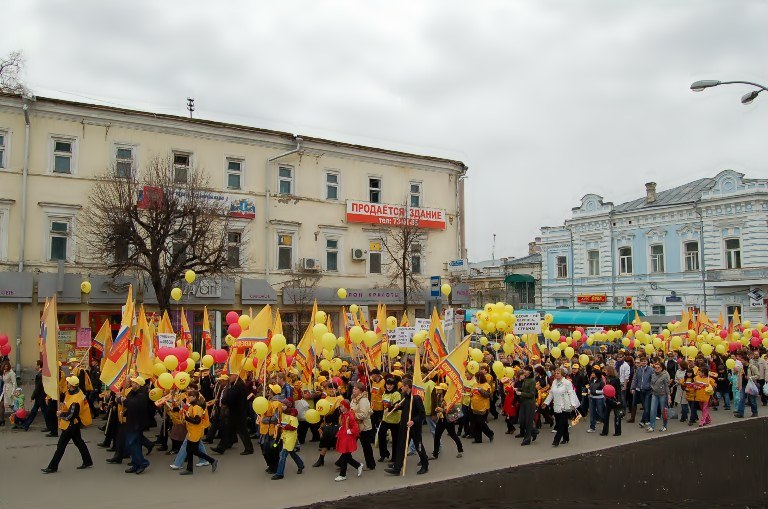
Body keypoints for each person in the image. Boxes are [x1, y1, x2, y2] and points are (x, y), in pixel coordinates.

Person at [41, 376, 93, 473]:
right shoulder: (74, 392)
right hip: (73, 424)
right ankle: (87, 461)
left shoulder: (76, 400)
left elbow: (71, 415)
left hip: (71, 425)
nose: (67, 383)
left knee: (61, 445)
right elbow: (65, 399)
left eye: (68, 382)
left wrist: (61, 414)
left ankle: (52, 467)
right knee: (79, 442)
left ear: (72, 385)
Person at [385, 378, 428, 475]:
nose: (401, 388)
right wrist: (393, 408)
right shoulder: (405, 396)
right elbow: (401, 405)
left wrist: (413, 421)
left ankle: (425, 465)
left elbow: (422, 414)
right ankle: (397, 468)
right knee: (402, 446)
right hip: (404, 426)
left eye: (403, 386)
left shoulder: (416, 398)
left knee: (419, 446)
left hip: (414, 428)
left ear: (407, 386)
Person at [213, 373, 254, 455]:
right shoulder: (235, 384)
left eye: (231, 375)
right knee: (228, 429)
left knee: (242, 431)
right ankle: (222, 447)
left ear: (236, 376)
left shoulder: (238, 385)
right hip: (235, 411)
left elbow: (230, 397)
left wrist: (224, 399)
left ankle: (249, 448)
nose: (229, 377)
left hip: (238, 412)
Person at [179, 389, 218, 475]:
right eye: (188, 396)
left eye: (190, 396)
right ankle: (190, 469)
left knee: (193, 450)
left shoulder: (197, 407)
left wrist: (187, 418)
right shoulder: (193, 405)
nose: (188, 397)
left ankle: (211, 461)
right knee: (190, 450)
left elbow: (197, 420)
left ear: (195, 397)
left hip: (195, 431)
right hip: (192, 430)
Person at [543, 367, 579, 446]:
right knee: (563, 423)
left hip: (565, 405)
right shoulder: (554, 382)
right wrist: (546, 403)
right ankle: (566, 438)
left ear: (562, 374)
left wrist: (573, 404)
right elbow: (551, 393)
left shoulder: (567, 382)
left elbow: (571, 393)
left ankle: (556, 440)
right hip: (556, 405)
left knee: (560, 424)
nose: (556, 375)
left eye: (558, 373)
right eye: (555, 373)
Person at [123, 376, 150, 474]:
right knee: (135, 444)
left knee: (130, 443)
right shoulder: (133, 393)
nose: (132, 384)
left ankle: (142, 462)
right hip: (132, 421)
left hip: (136, 423)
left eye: (133, 383)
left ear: (138, 385)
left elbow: (132, 404)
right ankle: (136, 464)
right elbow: (128, 401)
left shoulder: (142, 395)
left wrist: (122, 400)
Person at [272, 398, 304, 480]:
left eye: (284, 405)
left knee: (283, 455)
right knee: (292, 452)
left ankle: (279, 473)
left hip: (290, 437)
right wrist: (280, 424)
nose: (282, 406)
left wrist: (283, 426)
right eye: (282, 405)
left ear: (288, 405)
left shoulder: (292, 415)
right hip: (285, 435)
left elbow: (294, 426)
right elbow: (283, 422)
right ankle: (300, 465)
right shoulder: (284, 413)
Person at [432, 383, 463, 459]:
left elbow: (453, 410)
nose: (437, 389)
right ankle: (435, 454)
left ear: (443, 390)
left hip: (448, 420)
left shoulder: (449, 398)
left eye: (439, 389)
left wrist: (442, 410)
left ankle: (460, 450)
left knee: (453, 435)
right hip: (441, 419)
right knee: (437, 436)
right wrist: (437, 410)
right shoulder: (438, 396)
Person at [334, 399, 362, 482]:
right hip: (344, 436)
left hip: (347, 438)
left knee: (345, 456)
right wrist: (342, 428)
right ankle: (358, 465)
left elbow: (355, 428)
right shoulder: (344, 414)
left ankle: (343, 474)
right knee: (346, 456)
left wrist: (350, 431)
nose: (340, 407)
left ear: (346, 407)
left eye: (341, 406)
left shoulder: (350, 416)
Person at [350, 382, 375, 470]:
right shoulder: (354, 399)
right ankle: (342, 461)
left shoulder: (363, 400)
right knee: (349, 443)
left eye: (356, 389)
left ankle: (371, 465)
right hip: (356, 426)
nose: (353, 390)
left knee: (366, 447)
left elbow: (364, 414)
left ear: (360, 391)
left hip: (364, 427)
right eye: (353, 388)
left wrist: (353, 415)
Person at [377, 378, 401, 463]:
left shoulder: (396, 393)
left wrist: (390, 408)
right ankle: (384, 454)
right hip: (385, 419)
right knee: (381, 435)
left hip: (395, 420)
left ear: (394, 385)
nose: (389, 386)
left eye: (391, 384)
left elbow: (397, 405)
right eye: (387, 384)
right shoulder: (384, 393)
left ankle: (394, 457)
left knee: (395, 439)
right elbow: (383, 405)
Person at [469, 372, 494, 443]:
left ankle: (490, 433)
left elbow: (487, 395)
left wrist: (480, 390)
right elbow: (472, 392)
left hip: (482, 407)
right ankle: (478, 439)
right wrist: (471, 394)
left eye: (477, 378)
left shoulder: (486, 385)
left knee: (481, 422)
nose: (476, 379)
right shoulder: (475, 384)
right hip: (474, 406)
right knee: (476, 423)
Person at [646, 361, 670, 432]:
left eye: (658, 367)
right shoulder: (653, 375)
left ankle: (664, 426)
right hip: (655, 394)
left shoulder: (664, 375)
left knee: (663, 411)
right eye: (655, 367)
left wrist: (669, 397)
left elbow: (667, 387)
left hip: (663, 395)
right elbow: (651, 383)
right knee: (652, 410)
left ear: (661, 368)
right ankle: (651, 426)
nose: (656, 369)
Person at [517, 365, 538, 445]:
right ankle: (534, 431)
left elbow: (532, 394)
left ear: (530, 372)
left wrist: (521, 393)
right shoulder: (526, 379)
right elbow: (524, 389)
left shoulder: (532, 381)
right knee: (522, 420)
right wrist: (518, 389)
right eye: (524, 370)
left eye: (526, 370)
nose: (524, 371)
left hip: (529, 403)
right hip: (523, 402)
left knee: (528, 421)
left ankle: (527, 439)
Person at [630, 356, 653, 427]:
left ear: (647, 362)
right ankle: (646, 419)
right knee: (645, 406)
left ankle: (643, 421)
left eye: (645, 361)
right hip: (640, 390)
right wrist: (633, 388)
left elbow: (652, 380)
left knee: (646, 405)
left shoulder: (651, 369)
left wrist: (649, 386)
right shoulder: (638, 369)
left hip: (648, 390)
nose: (643, 362)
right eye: (642, 361)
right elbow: (635, 379)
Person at [22, 360, 45, 431]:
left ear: (39, 366)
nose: (34, 366)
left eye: (35, 365)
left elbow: (38, 387)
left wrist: (32, 396)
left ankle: (50, 427)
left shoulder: (40, 375)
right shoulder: (40, 374)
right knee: (34, 411)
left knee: (44, 412)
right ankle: (26, 424)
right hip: (39, 396)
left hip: (41, 396)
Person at [586, 366, 605, 433]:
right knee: (592, 413)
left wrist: (595, 392)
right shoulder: (591, 380)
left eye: (593, 373)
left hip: (599, 398)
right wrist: (589, 391)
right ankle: (592, 427)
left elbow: (603, 391)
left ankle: (605, 425)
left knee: (600, 412)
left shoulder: (601, 381)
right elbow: (589, 387)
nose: (592, 374)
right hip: (592, 398)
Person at [1, 361, 17, 425]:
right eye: (5, 366)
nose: (6, 367)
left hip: (10, 390)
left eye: (7, 366)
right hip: (5, 390)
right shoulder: (4, 372)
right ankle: (2, 420)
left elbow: (14, 383)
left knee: (12, 405)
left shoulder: (11, 373)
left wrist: (13, 392)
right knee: (3, 404)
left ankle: (19, 419)